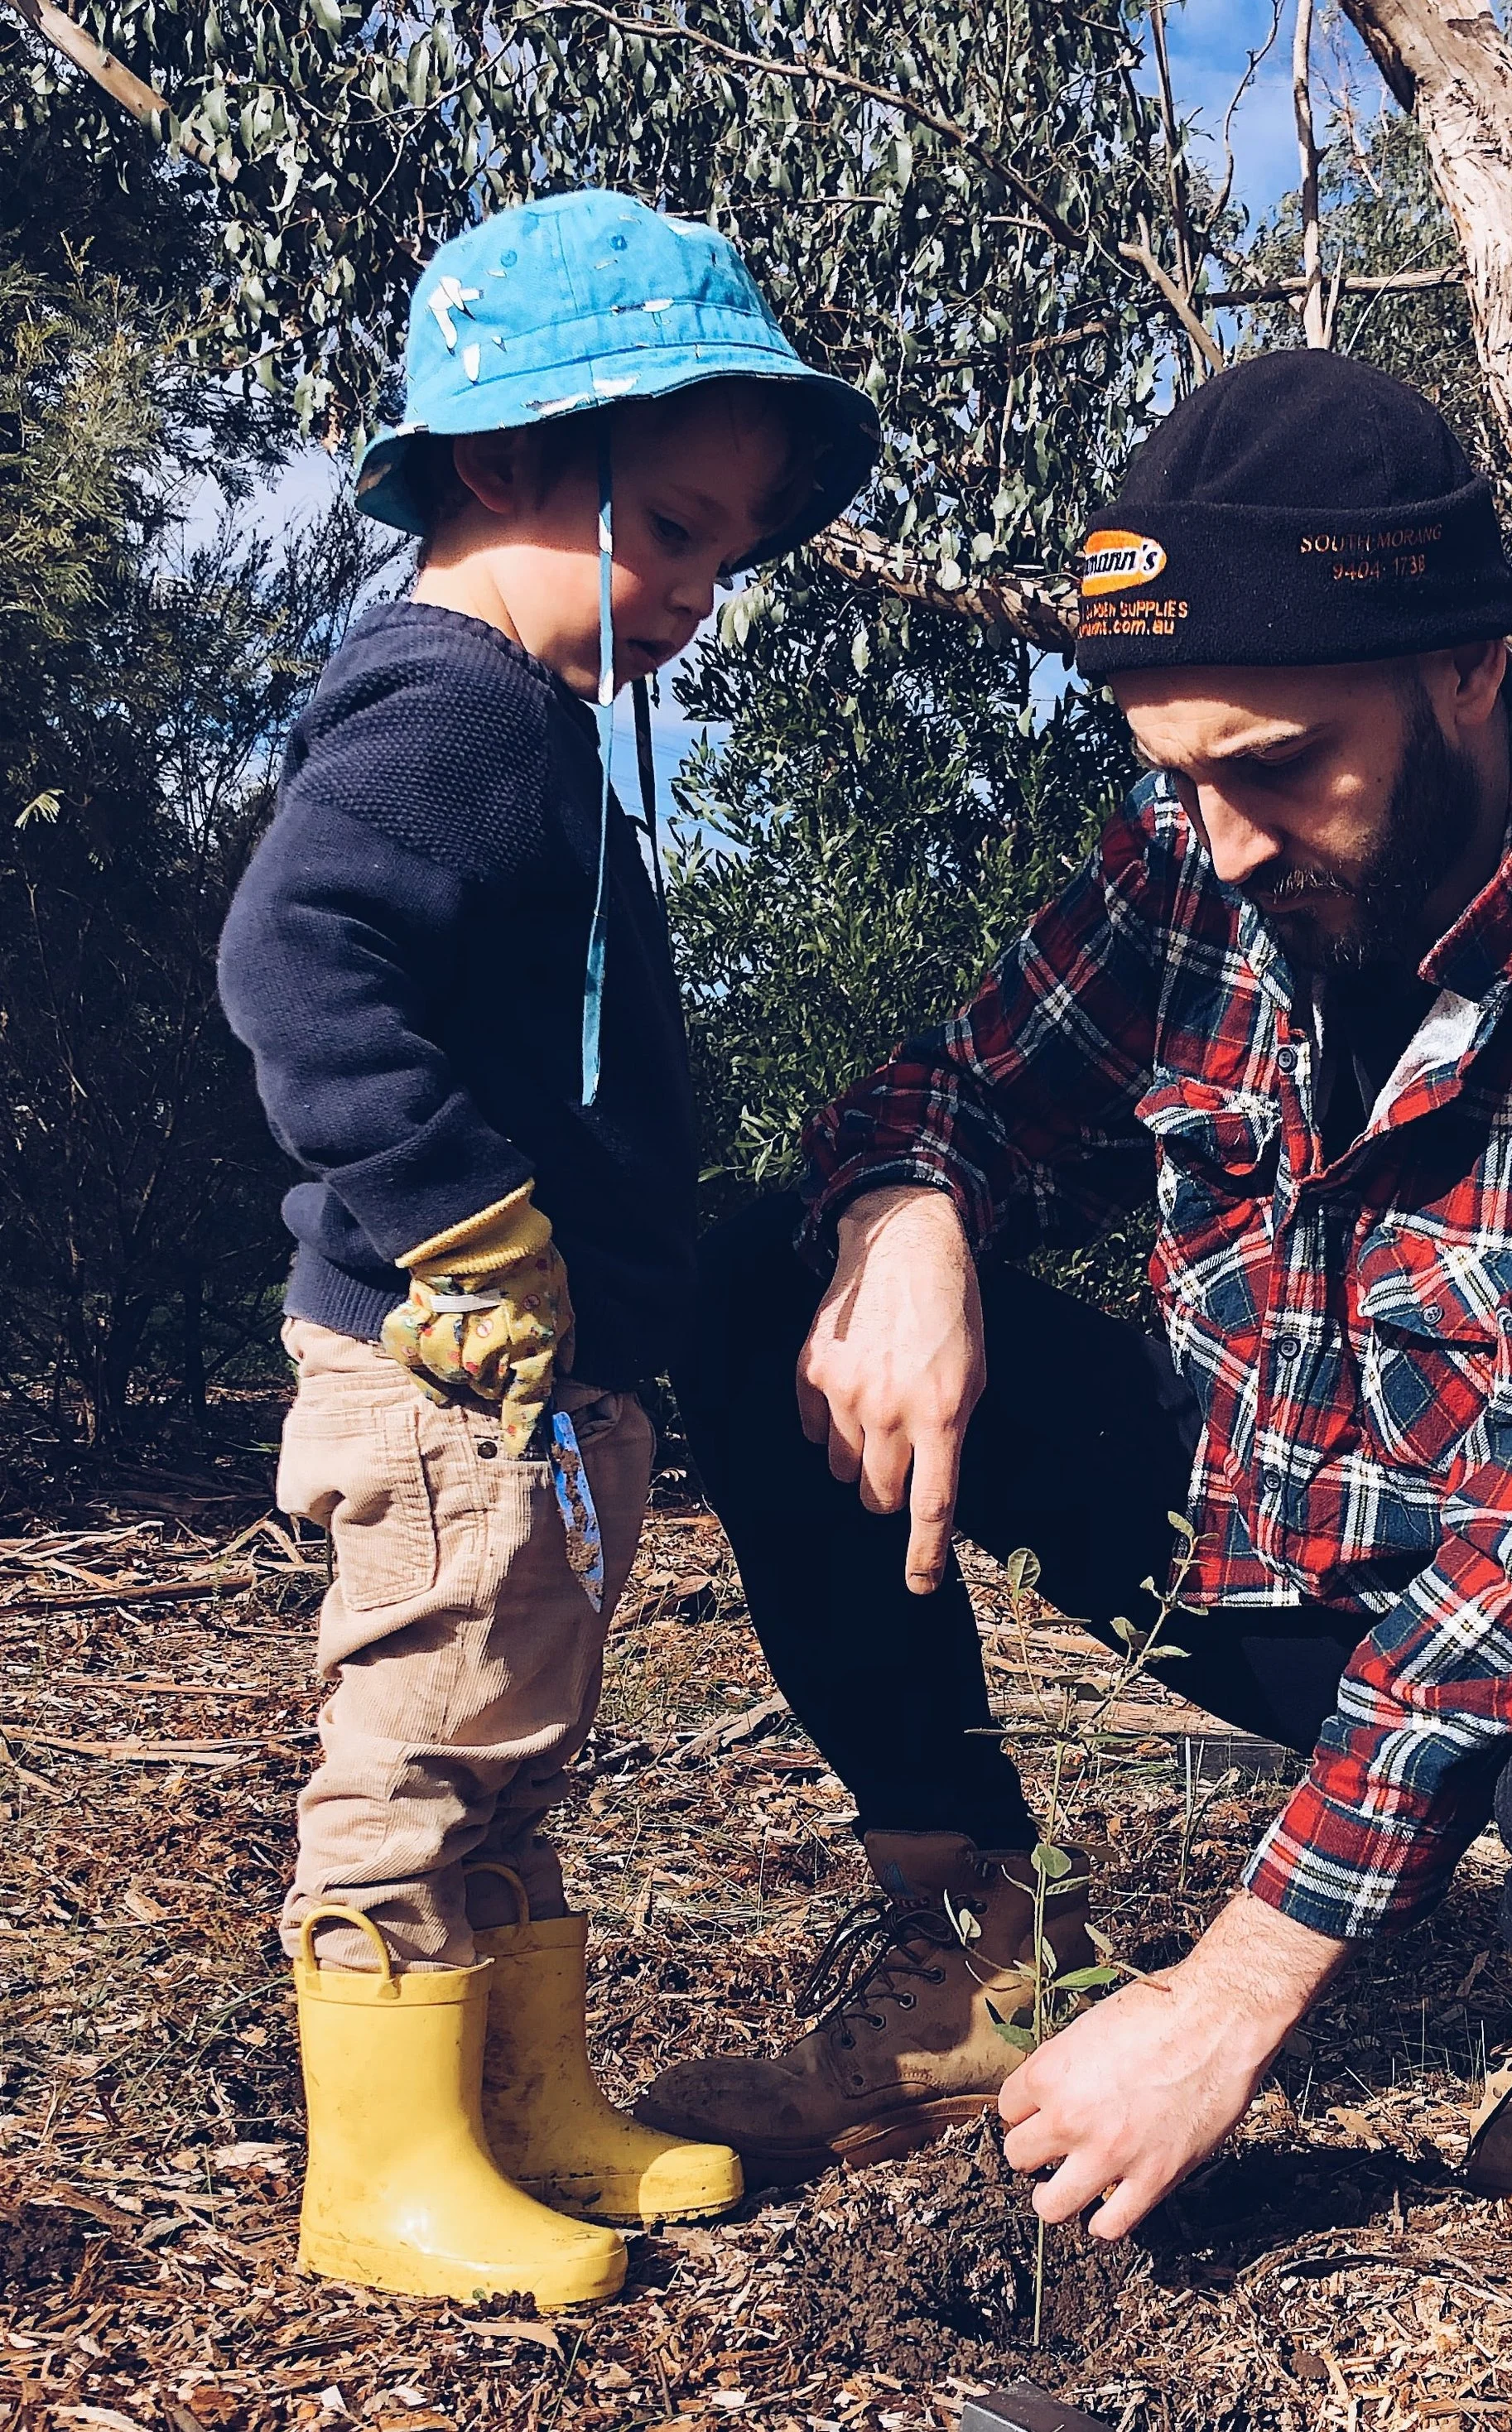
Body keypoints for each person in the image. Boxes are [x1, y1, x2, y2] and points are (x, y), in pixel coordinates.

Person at [637, 351, 1512, 2242]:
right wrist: (908, 1215)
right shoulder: (1203, 848)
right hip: (1292, 1527)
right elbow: (949, 1088)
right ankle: (970, 1932)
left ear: (1467, 668)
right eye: (1176, 770)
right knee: (772, 1277)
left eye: (1274, 765)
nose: (1224, 837)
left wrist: (1237, 1986)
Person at [217, 190, 877, 2307]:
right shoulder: (458, 715)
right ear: (511, 463)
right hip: (444, 1364)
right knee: (421, 1738)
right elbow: (293, 958)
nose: (696, 591)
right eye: (671, 528)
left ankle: (520, 2106)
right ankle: (383, 2172)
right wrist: (465, 1224)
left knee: (510, 1727)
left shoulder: (524, 724)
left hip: (532, 1368)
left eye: (717, 550)